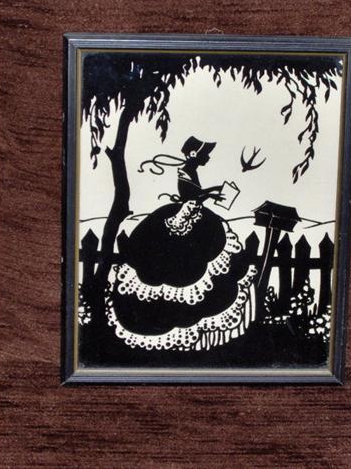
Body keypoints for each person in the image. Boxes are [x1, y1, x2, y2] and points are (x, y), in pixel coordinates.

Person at [105, 136, 257, 351]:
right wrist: (212, 192)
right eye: (205, 154)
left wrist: (211, 193)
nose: (208, 158)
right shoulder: (185, 170)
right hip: (185, 214)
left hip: (194, 212)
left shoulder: (190, 169)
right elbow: (189, 195)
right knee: (177, 257)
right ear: (194, 154)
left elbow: (195, 195)